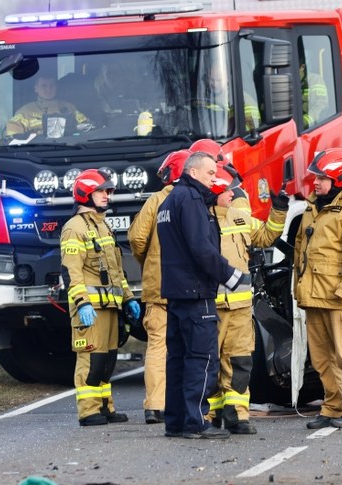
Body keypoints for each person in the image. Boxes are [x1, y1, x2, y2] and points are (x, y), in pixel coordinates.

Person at [156, 152, 247, 440]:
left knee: (179, 359)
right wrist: (232, 276)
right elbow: (201, 249)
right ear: (193, 173)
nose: (214, 178)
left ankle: (176, 421)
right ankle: (196, 421)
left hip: (176, 293)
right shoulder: (191, 200)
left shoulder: (169, 201)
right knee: (201, 358)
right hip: (196, 293)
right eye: (209, 173)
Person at [293, 148, 342, 430]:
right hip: (315, 295)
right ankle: (332, 407)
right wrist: (299, 289)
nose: (315, 182)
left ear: (338, 178)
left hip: (341, 298)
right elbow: (301, 251)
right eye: (315, 177)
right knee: (322, 359)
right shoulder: (313, 206)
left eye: (321, 178)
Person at [205, 167, 288, 434]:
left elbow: (265, 236)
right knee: (209, 362)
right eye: (227, 190)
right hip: (211, 306)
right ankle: (208, 414)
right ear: (214, 193)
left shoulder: (240, 217)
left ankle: (237, 416)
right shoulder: (200, 221)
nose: (233, 194)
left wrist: (279, 211)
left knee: (240, 361)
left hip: (240, 307)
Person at [61, 169, 140, 426]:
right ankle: (88, 411)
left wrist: (128, 298)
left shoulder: (103, 225)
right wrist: (81, 303)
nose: (107, 196)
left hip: (110, 306)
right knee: (91, 360)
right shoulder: (74, 228)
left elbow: (116, 270)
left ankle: (105, 407)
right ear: (85, 193)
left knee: (107, 361)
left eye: (109, 191)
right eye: (102, 191)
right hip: (90, 309)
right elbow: (71, 271)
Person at [128, 149, 191, 425]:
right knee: (192, 346)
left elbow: (137, 238)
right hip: (189, 288)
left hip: (159, 287)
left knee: (158, 346)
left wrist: (150, 262)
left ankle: (155, 406)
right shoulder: (194, 199)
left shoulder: (156, 200)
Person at [5, 72, 90, 138]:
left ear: (56, 87)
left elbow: (87, 127)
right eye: (44, 86)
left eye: (51, 85)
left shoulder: (69, 107)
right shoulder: (25, 112)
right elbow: (11, 137)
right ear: (36, 88)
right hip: (36, 152)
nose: (48, 89)